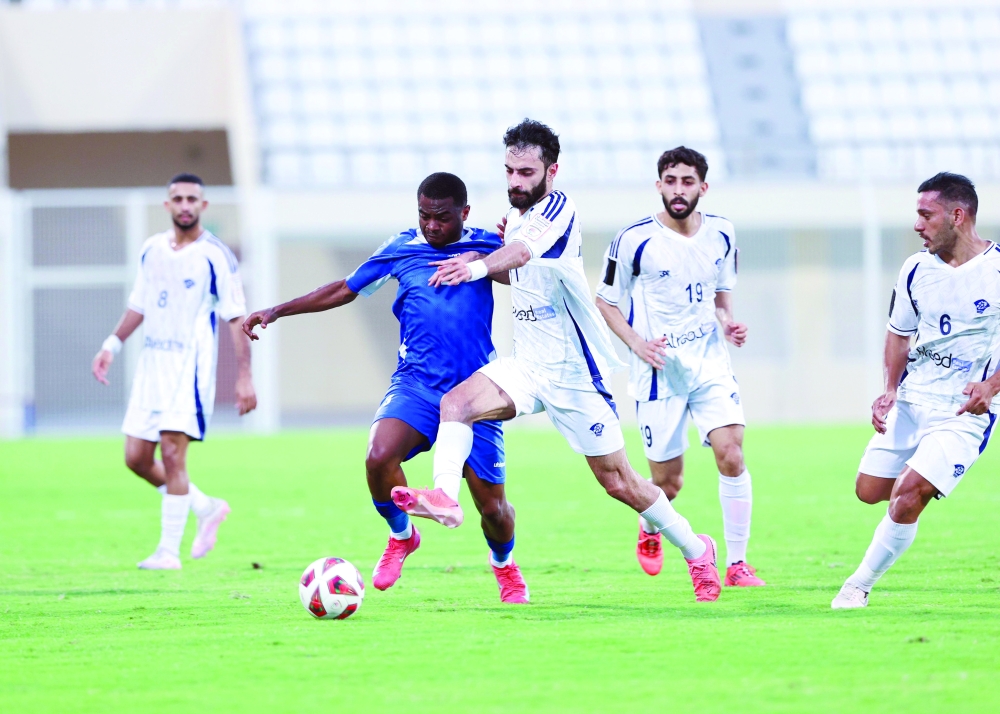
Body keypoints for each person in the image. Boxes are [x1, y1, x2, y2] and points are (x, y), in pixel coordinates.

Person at [394, 120, 722, 602]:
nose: (515, 181)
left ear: (552, 171)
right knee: (455, 404)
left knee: (620, 483)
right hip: (528, 367)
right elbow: (519, 274)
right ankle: (445, 495)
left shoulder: (559, 209)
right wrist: (492, 262)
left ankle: (697, 551)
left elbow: (524, 254)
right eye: (509, 170)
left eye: (526, 172)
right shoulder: (518, 215)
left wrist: (477, 265)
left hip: (575, 376)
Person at [242, 173, 529, 604]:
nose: (431, 226)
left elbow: (526, 274)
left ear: (464, 213)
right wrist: (277, 311)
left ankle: (505, 566)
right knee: (378, 457)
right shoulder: (401, 249)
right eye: (424, 216)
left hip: (474, 396)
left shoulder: (486, 247)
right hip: (416, 386)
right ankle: (402, 535)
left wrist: (510, 245)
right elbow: (343, 288)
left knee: (493, 511)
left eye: (442, 218)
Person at [595, 147, 765, 588]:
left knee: (732, 453)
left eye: (687, 182)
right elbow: (605, 301)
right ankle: (651, 526)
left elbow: (721, 294)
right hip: (658, 373)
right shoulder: (634, 240)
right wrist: (637, 344)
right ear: (659, 186)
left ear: (702, 188)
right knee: (667, 484)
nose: (678, 189)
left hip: (710, 364)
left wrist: (728, 324)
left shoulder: (722, 233)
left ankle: (738, 563)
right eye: (670, 181)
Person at [833, 172, 1000, 609]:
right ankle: (924, 483)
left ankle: (857, 586)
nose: (917, 224)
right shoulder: (915, 269)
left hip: (964, 411)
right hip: (913, 399)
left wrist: (992, 384)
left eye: (926, 214)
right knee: (869, 491)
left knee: (908, 495)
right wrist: (889, 389)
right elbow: (898, 334)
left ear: (958, 216)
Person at [92, 173, 257, 570]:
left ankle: (168, 553)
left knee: (172, 454)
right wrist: (111, 345)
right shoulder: (151, 250)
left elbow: (237, 318)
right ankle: (206, 507)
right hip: (152, 368)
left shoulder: (215, 255)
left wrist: (244, 376)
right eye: (177, 198)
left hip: (189, 370)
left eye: (192, 199)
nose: (185, 205)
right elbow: (140, 304)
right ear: (168, 205)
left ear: (203, 206)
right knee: (136, 458)